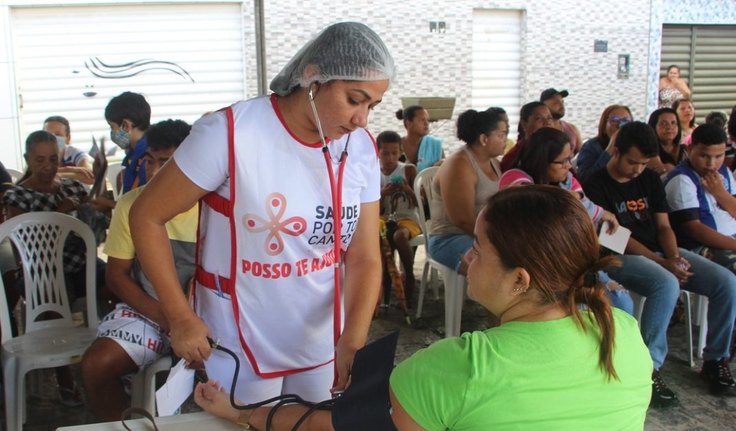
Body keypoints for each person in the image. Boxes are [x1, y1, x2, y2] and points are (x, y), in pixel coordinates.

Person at [194, 186, 653, 430]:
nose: (467, 258)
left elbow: (329, 427)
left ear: (520, 279)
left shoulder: (464, 365)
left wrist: (240, 413)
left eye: (478, 247)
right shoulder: (624, 331)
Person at [129, 22, 394, 403]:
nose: (362, 119)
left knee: (312, 425)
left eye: (372, 105)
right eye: (355, 99)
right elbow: (146, 215)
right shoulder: (230, 132)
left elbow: (365, 256)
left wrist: (352, 340)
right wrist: (180, 317)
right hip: (237, 334)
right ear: (313, 76)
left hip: (320, 336)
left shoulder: (361, 149)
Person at [583, 121, 736, 406]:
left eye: (643, 163)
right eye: (632, 162)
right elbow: (619, 239)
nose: (638, 169)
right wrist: (662, 262)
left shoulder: (650, 179)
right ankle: (648, 368)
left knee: (726, 282)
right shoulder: (595, 184)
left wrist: (673, 257)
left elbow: (664, 226)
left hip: (661, 252)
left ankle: (715, 359)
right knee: (665, 284)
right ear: (616, 151)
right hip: (616, 256)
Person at [80, 119, 194, 421]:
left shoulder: (215, 203)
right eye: (151, 161)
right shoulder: (132, 203)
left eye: (166, 163)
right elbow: (116, 276)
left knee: (246, 365)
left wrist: (189, 319)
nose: (156, 172)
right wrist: (169, 318)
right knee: (97, 365)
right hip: (150, 311)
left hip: (207, 312)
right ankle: (123, 424)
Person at [499, 127, 632, 314]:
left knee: (622, 302)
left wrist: (603, 214)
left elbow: (585, 208)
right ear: (542, 162)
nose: (569, 166)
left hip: (570, 262)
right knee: (580, 308)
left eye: (570, 159)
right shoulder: (514, 177)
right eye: (562, 162)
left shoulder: (567, 180)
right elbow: (532, 203)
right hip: (532, 266)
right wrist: (570, 198)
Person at [1, 130, 91, 407]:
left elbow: (93, 223)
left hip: (81, 264)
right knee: (47, 294)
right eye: (40, 160)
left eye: (53, 159)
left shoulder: (72, 188)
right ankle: (64, 376)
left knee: (119, 282)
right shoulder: (18, 196)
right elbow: (24, 247)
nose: (47, 166)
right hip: (38, 272)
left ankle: (115, 363)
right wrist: (61, 214)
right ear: (28, 158)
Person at [428, 108, 506, 274]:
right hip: (449, 238)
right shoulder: (459, 165)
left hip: (481, 234)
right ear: (484, 139)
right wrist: (498, 240)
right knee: (499, 263)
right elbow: (463, 220)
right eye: (501, 135)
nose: (505, 140)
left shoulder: (495, 163)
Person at [665, 123, 736, 273]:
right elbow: (693, 229)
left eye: (718, 156)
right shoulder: (682, 179)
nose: (711, 164)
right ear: (690, 149)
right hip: (699, 247)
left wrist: (720, 193)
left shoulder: (725, 172)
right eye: (704, 156)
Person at [377, 130, 420, 302]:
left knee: (400, 236)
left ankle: (408, 275)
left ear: (401, 152)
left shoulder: (408, 170)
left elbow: (420, 203)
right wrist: (383, 194)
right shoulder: (374, 172)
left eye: (395, 153)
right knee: (378, 237)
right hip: (383, 219)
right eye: (385, 153)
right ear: (377, 152)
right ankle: (383, 283)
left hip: (407, 219)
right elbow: (373, 209)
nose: (390, 158)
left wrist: (408, 189)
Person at [105, 91, 151, 193]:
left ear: (126, 125)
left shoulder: (149, 159)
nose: (112, 132)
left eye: (112, 126)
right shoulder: (133, 155)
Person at [576, 104, 633, 182]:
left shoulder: (634, 146)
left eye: (626, 121)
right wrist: (609, 149)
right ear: (604, 127)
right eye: (615, 120)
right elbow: (585, 179)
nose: (620, 125)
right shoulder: (591, 146)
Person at [499, 101, 553, 172]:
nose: (547, 123)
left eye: (549, 118)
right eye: (539, 118)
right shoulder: (514, 157)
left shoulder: (558, 148)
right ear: (524, 124)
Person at [42, 115, 95, 185]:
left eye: (58, 134)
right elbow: (35, 175)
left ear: (68, 138)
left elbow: (90, 178)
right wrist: (75, 171)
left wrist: (60, 175)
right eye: (48, 134)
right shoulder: (37, 155)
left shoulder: (75, 153)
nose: (52, 138)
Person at [395, 105, 444, 172]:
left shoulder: (434, 145)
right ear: (409, 123)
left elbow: (445, 171)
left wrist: (442, 164)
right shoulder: (396, 146)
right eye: (422, 120)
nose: (426, 123)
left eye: (427, 120)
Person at [540, 88, 583, 154]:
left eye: (562, 102)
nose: (562, 105)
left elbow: (581, 155)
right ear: (544, 105)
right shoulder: (539, 130)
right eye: (556, 103)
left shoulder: (572, 128)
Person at [646, 107, 686, 176]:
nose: (669, 127)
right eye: (664, 123)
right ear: (653, 127)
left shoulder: (686, 151)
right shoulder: (648, 153)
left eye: (673, 123)